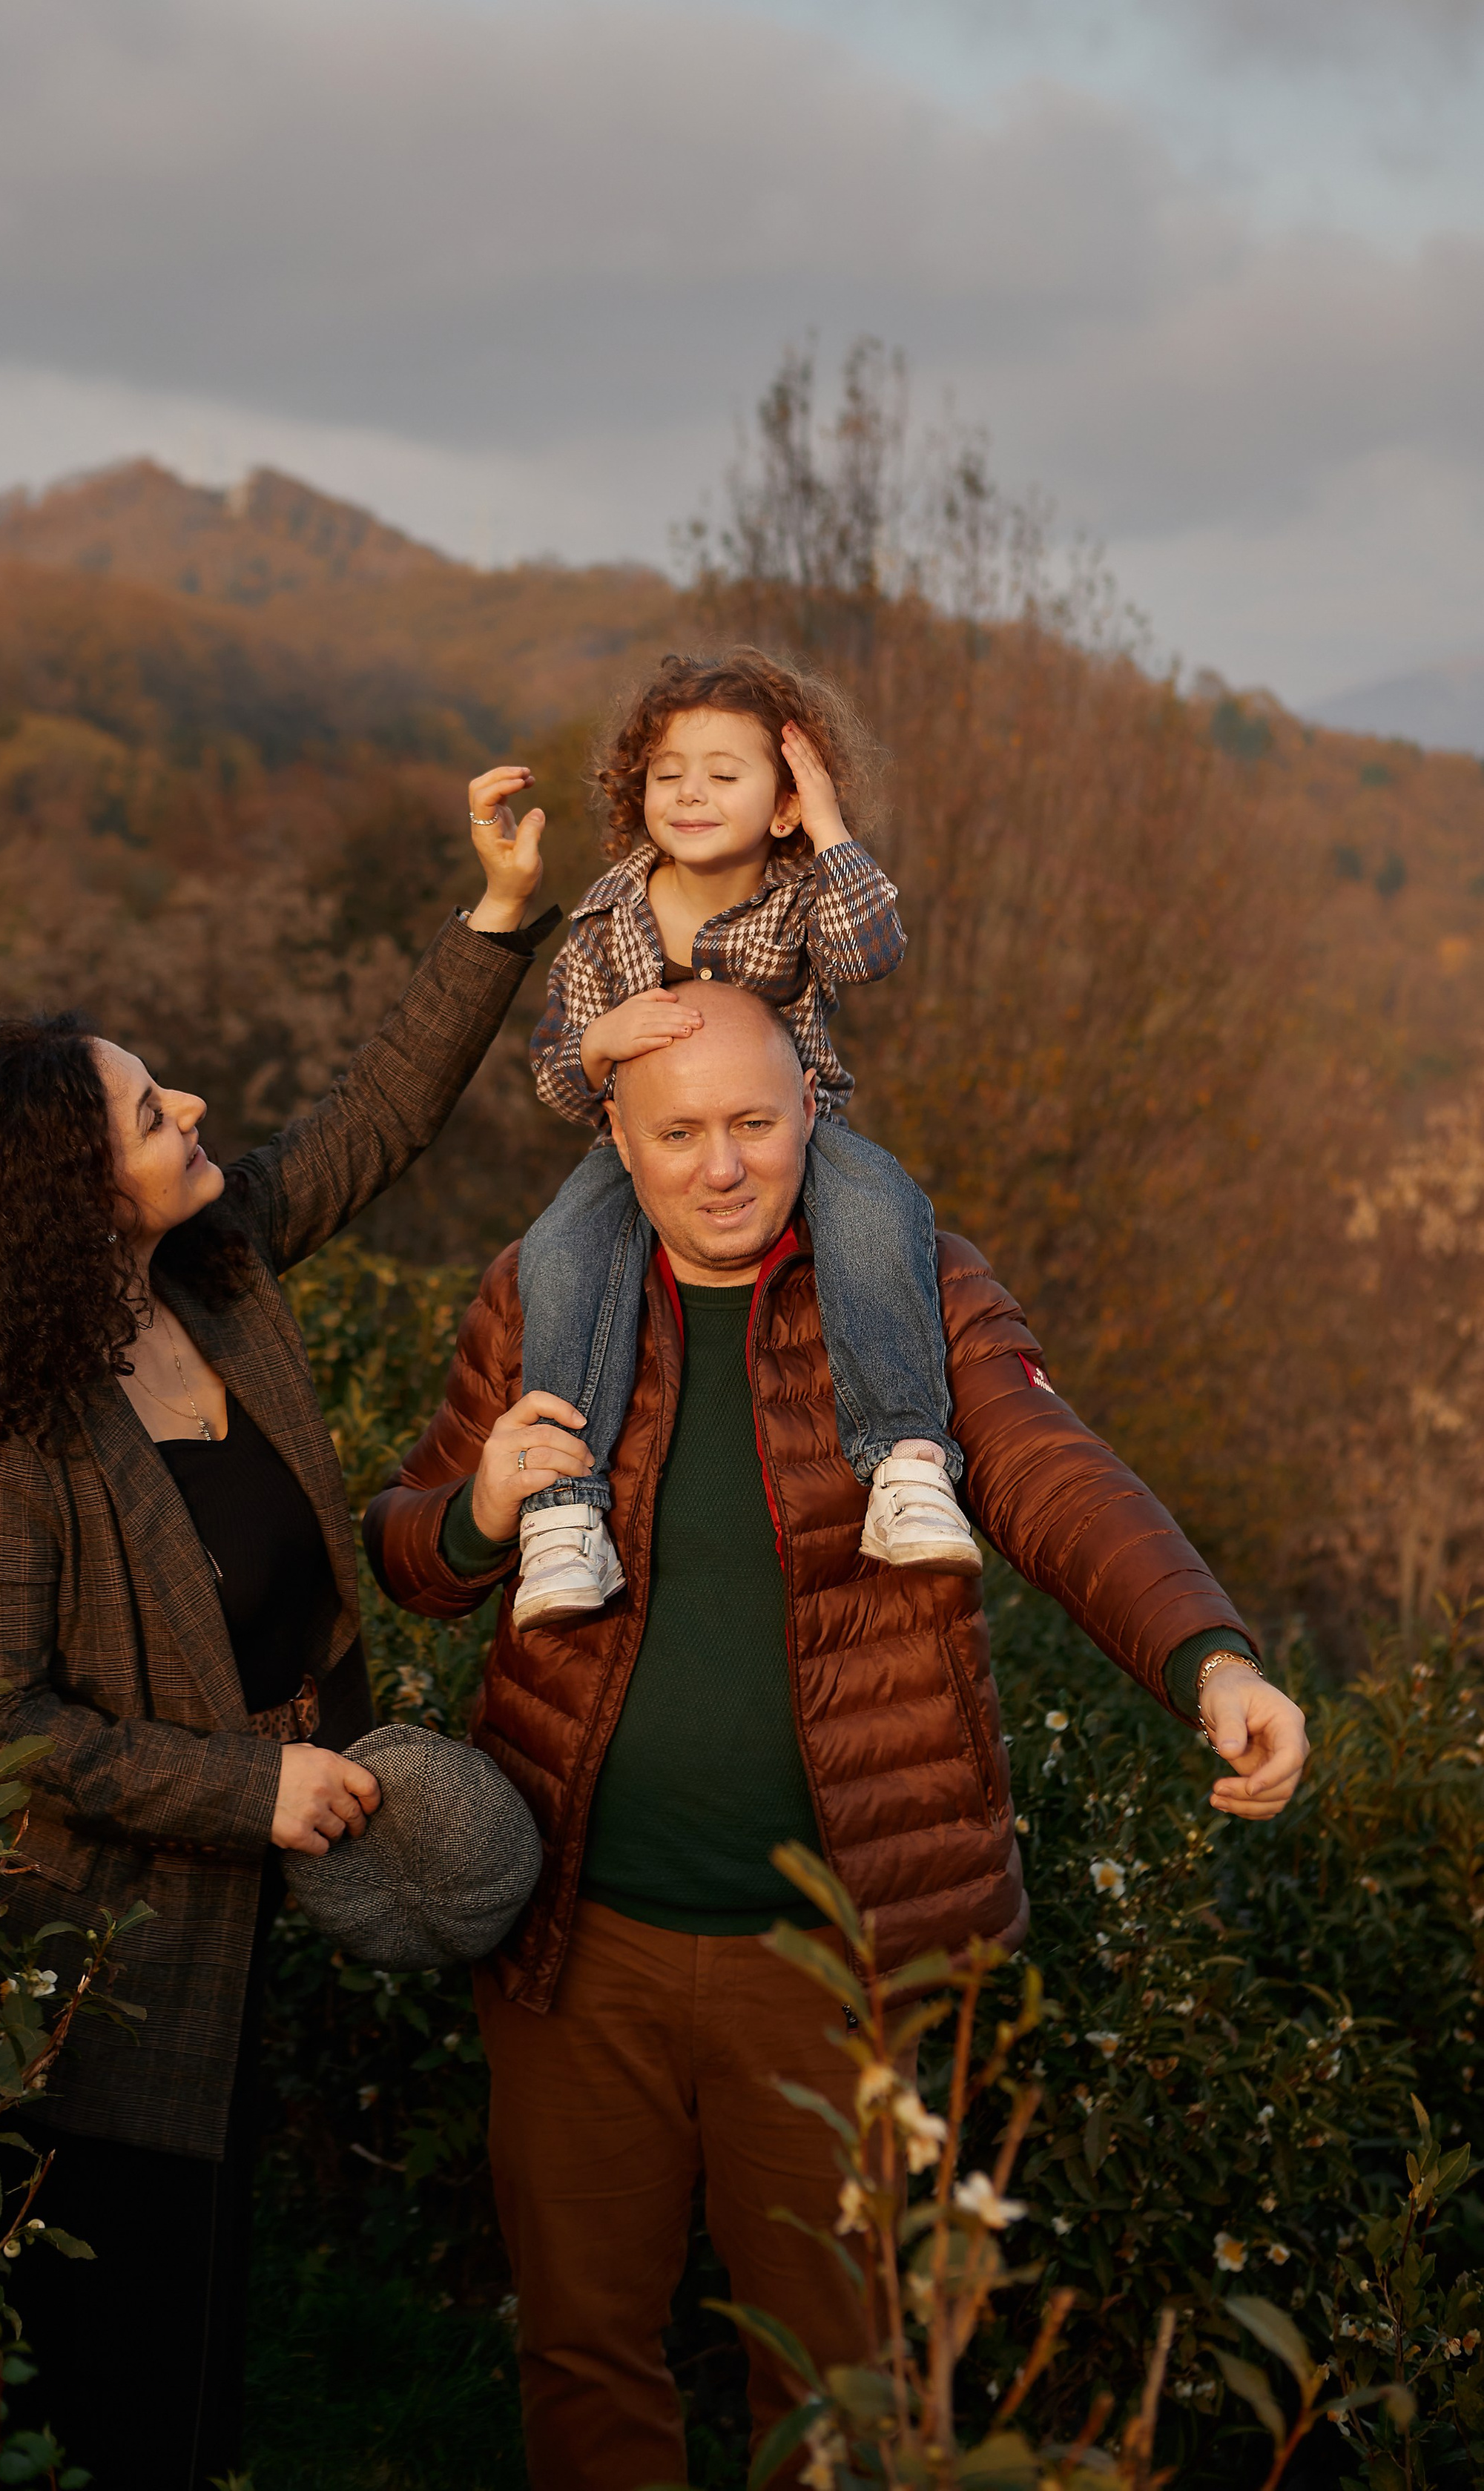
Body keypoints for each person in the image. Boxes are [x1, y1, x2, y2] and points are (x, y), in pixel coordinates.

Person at [365, 983, 1308, 2491]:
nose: (721, 1166)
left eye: (753, 1123)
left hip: (835, 1963)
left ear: (811, 1107)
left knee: (840, 2386)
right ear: (615, 1134)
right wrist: (473, 1515)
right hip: (574, 1949)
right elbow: (405, 1554)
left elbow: (1052, 1478)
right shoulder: (539, 1299)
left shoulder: (906, 1293)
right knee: (582, 2354)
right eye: (678, 1133)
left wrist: (1206, 1659)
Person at [0, 769, 553, 2491]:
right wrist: (247, 1791)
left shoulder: (208, 1273)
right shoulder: (1, 1430)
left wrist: (498, 917)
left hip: (246, 1915)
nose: (192, 1106)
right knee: (113, 2375)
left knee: (200, 2334)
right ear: (71, 1192)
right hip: (86, 1982)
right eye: (152, 1110)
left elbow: (367, 1122)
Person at [509, 644, 974, 1632]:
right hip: (639, 1153)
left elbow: (873, 949)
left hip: (799, 1135)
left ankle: (905, 1459)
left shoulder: (803, 896)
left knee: (880, 1208)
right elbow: (553, 1076)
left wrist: (831, 824)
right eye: (668, 774)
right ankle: (562, 1516)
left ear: (781, 804)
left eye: (725, 775)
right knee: (558, 1250)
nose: (689, 793)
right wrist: (598, 1045)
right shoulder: (604, 922)